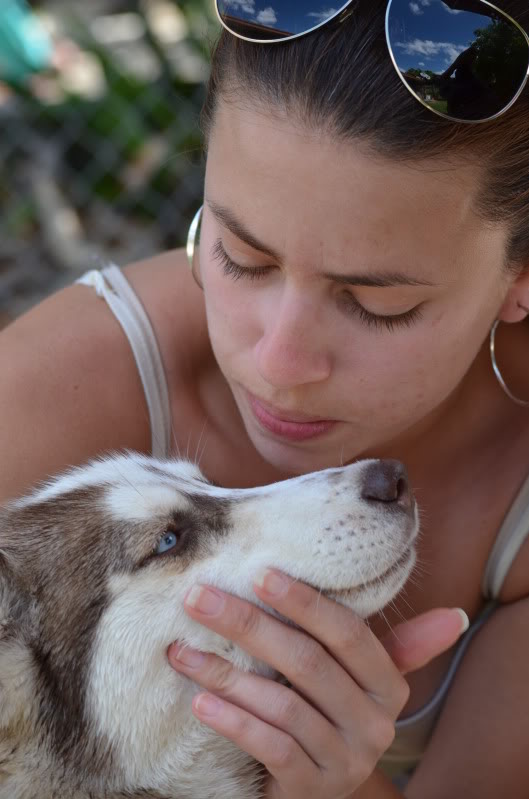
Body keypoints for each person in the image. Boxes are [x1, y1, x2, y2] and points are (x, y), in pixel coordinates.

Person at [1, 0, 529, 796]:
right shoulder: (51, 390)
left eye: (375, 304)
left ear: (517, 282)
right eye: (242, 255)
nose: (278, 365)